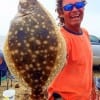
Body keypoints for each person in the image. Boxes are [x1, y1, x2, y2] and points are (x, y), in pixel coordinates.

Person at [47, 0, 96, 100]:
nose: (75, 9)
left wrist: (93, 88)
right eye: (68, 7)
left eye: (78, 5)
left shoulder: (85, 33)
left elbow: (87, 67)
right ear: (61, 13)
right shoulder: (59, 39)